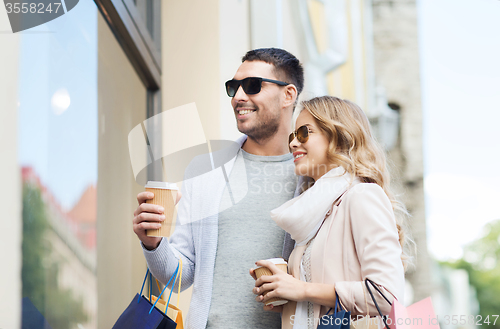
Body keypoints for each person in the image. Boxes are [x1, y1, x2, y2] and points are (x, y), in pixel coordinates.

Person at [133, 48, 305, 328]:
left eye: (252, 86)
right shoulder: (205, 171)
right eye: (233, 87)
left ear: (288, 95)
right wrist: (152, 243)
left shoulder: (311, 178)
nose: (238, 97)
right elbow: (181, 276)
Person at [251, 96, 412, 329]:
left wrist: (302, 289)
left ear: (337, 135)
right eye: (292, 136)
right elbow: (323, 297)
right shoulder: (314, 212)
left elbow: (386, 295)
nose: (294, 143)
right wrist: (285, 294)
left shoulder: (361, 196)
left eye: (304, 133)